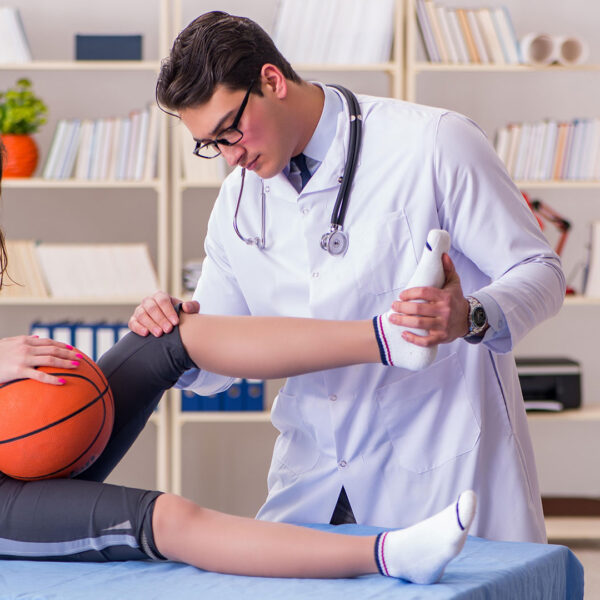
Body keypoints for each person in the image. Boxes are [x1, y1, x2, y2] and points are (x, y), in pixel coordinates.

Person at [130, 11, 566, 543]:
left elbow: (540, 271)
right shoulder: (237, 203)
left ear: (272, 80)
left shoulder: (432, 142)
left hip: (439, 470)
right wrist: (172, 333)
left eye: (230, 131)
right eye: (211, 144)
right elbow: (216, 362)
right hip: (313, 477)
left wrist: (471, 315)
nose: (230, 157)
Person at [0, 142, 477, 583]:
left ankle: (390, 338)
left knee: (170, 334)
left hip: (22, 441)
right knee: (169, 517)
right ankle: (392, 555)